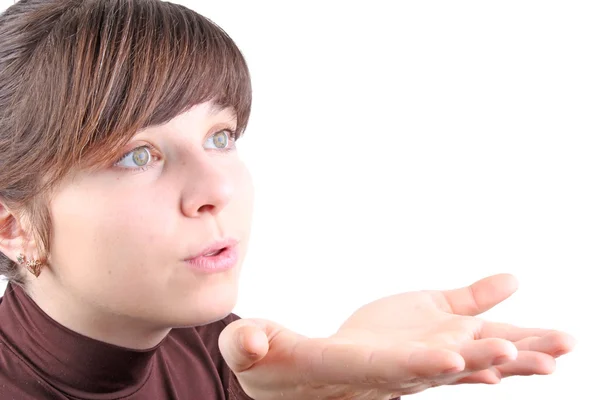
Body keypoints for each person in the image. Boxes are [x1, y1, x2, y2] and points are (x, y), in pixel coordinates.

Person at [0, 0, 575, 399]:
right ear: (12, 227)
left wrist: (341, 393)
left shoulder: (227, 351)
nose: (216, 189)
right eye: (137, 155)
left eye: (219, 137)